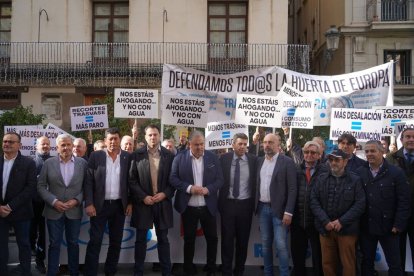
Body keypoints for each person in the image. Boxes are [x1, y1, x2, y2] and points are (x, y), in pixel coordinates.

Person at [170, 131, 224, 276]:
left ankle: (211, 268)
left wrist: (208, 189)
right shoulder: (179, 158)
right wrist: (189, 188)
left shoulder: (213, 157)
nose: (200, 147)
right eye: (196, 145)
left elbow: (220, 180)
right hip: (189, 208)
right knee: (189, 240)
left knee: (212, 239)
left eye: (202, 144)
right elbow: (173, 178)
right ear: (189, 145)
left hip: (208, 207)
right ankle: (188, 268)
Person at [37, 134, 87, 276]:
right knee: (54, 244)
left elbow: (87, 187)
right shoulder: (49, 163)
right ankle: (52, 272)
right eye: (62, 145)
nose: (66, 147)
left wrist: (76, 200)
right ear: (57, 147)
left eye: (68, 145)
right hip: (53, 210)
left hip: (74, 210)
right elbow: (40, 186)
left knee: (73, 243)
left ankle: (74, 272)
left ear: (72, 146)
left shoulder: (82, 163)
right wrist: (54, 201)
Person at [84, 128, 132, 276]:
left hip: (119, 206)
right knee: (95, 240)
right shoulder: (95, 156)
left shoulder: (127, 157)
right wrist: (89, 203)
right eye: (110, 139)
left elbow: (131, 182)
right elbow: (88, 182)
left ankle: (110, 271)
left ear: (119, 140)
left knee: (116, 241)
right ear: (105, 141)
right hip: (99, 206)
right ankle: (90, 272)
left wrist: (130, 203)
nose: (113, 142)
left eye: (116, 139)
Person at [358, 140, 410, 276]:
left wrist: (398, 225)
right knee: (367, 262)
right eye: (367, 151)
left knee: (394, 264)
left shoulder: (396, 173)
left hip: (389, 228)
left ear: (382, 152)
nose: (369, 154)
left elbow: (404, 201)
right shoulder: (360, 172)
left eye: (373, 151)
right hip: (366, 227)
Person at [310, 149, 366, 276]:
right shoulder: (321, 179)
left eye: (337, 160)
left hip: (347, 230)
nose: (333, 163)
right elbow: (313, 200)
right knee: (327, 264)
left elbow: (360, 204)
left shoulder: (355, 180)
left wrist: (342, 221)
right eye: (331, 160)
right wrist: (325, 221)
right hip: (326, 230)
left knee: (348, 264)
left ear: (345, 161)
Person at [129, 124, 175, 276]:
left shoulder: (169, 155)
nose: (153, 137)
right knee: (140, 240)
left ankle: (166, 272)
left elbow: (173, 181)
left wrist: (165, 194)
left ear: (159, 135)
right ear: (145, 137)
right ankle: (138, 272)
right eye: (150, 135)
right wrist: (143, 197)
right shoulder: (137, 154)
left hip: (162, 203)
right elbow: (132, 180)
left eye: (155, 134)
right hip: (143, 204)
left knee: (163, 240)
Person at [256, 133, 297, 276]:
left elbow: (292, 189)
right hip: (262, 208)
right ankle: (268, 273)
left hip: (280, 211)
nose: (267, 145)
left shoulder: (287, 162)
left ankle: (284, 274)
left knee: (281, 246)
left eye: (271, 142)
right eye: (265, 142)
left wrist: (289, 212)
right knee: (266, 245)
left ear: (278, 144)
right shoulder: (260, 161)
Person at [218, 133, 257, 276]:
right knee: (227, 241)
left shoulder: (253, 160)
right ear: (233, 144)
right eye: (240, 144)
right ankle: (226, 271)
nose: (243, 147)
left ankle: (239, 270)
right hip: (227, 205)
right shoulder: (224, 159)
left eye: (245, 144)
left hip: (245, 206)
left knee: (243, 241)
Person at [0, 132, 37, 275]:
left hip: (21, 212)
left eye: (11, 142)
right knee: (1, 245)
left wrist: (10, 206)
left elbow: (30, 188)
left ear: (19, 145)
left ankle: (25, 271)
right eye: (5, 141)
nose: (7, 144)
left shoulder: (29, 163)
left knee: (24, 244)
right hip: (0, 212)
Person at [291, 141, 328, 276]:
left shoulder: (326, 171)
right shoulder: (295, 169)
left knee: (319, 259)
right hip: (298, 221)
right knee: (298, 257)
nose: (309, 155)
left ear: (319, 155)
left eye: (313, 153)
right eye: (306, 152)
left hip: (317, 222)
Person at [386, 127, 414, 273]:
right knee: (397, 254)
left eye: (413, 137)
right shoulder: (390, 158)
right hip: (397, 214)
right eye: (408, 136)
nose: (411, 139)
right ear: (401, 140)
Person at [31, 136, 52, 274]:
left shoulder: (55, 161)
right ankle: (31, 254)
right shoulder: (30, 162)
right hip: (34, 204)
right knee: (31, 234)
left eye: (47, 144)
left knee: (45, 235)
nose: (45, 146)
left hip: (50, 204)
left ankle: (40, 261)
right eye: (42, 144)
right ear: (36, 146)